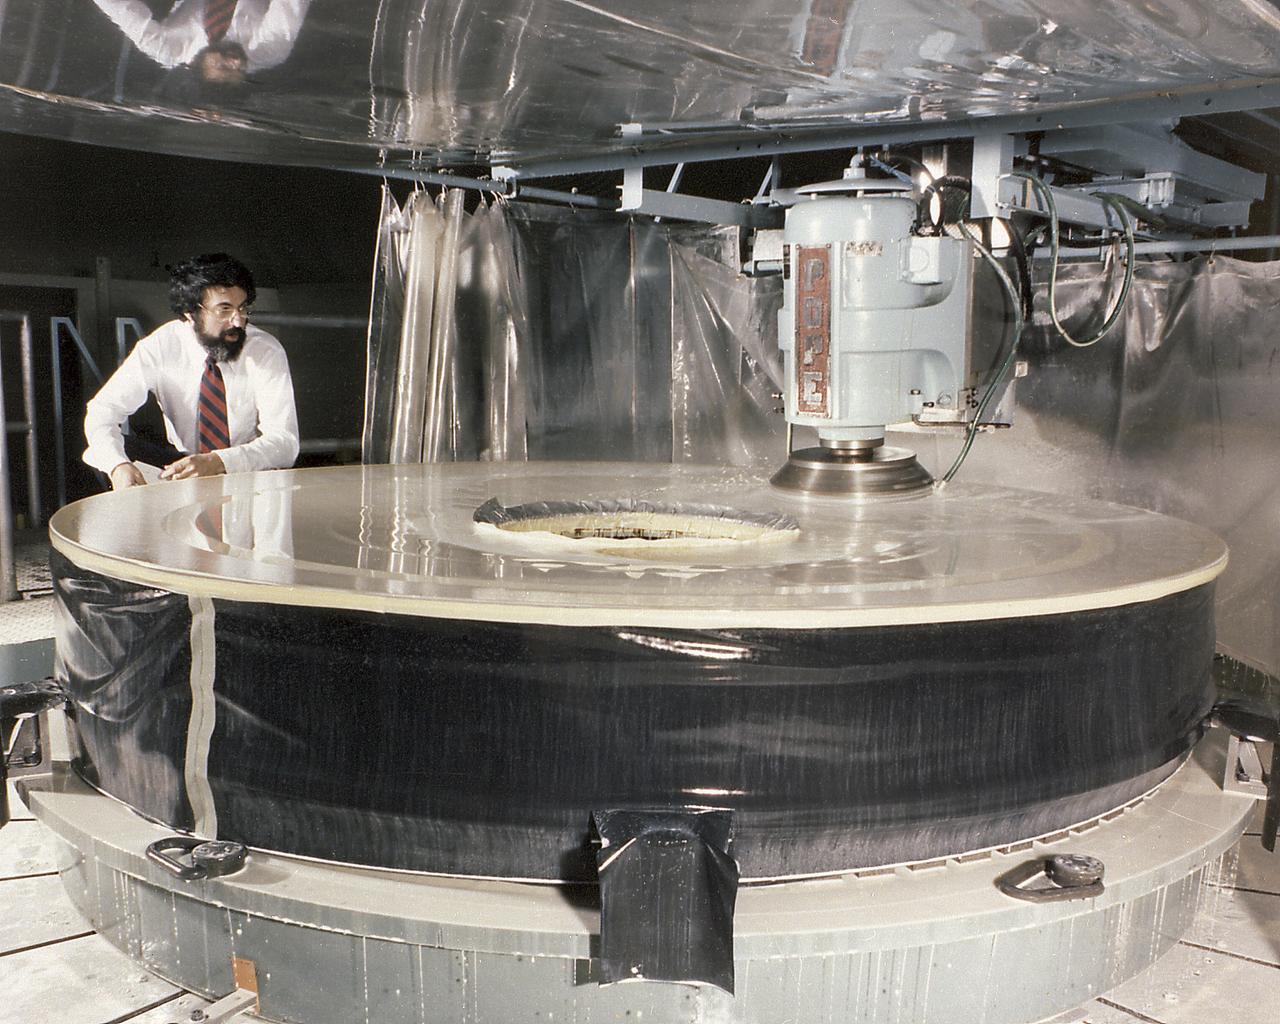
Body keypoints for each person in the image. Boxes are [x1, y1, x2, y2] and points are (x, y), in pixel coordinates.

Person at [84, 252, 299, 490]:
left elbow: (285, 442)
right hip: (181, 464)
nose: (238, 321)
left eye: (242, 308)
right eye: (224, 310)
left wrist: (218, 461)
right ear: (190, 312)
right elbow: (102, 411)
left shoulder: (265, 350)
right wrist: (118, 466)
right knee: (100, 450)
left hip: (243, 465)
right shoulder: (159, 346)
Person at [91, 0, 313, 83]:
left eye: (223, 66)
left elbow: (120, 8)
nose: (236, 64)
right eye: (240, 72)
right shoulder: (270, 52)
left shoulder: (168, 50)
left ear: (193, 67)